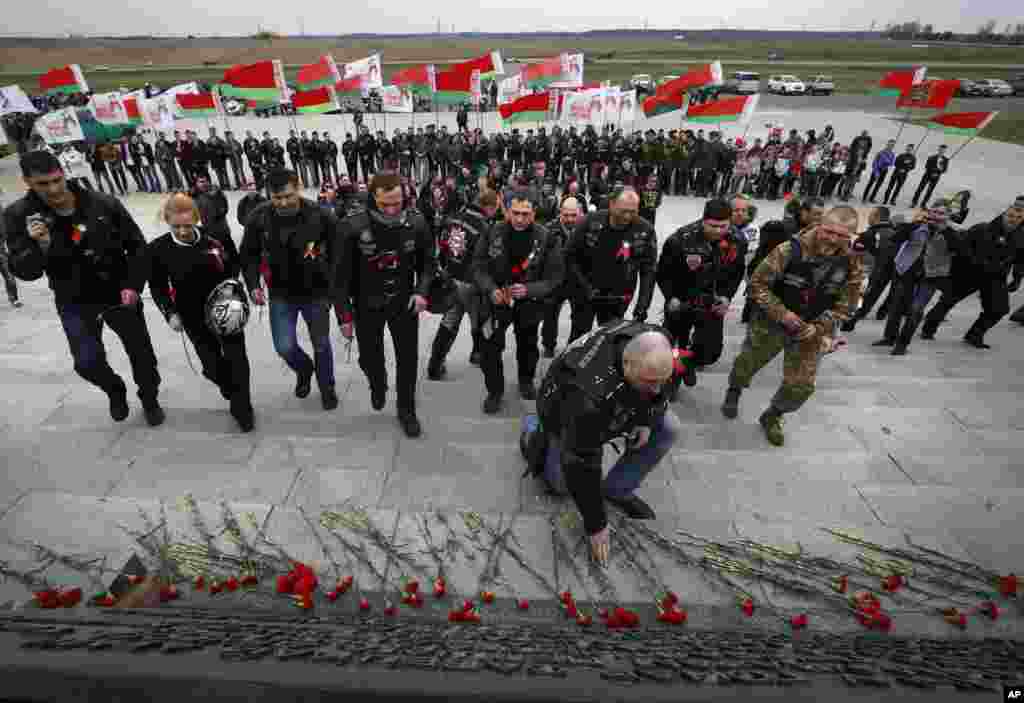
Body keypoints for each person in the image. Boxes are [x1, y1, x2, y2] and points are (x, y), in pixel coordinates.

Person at [4, 150, 163, 425]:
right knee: (86, 362)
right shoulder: (18, 215)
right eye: (43, 184)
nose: (53, 189)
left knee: (143, 356)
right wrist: (39, 246)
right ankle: (115, 389)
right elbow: (25, 272)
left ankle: (149, 398)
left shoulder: (102, 203)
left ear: (63, 174)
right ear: (27, 182)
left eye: (56, 180)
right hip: (73, 297)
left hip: (117, 290)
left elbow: (137, 245)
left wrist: (133, 286)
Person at [521, 322, 682, 566]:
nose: (658, 389)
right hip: (562, 412)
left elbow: (659, 386)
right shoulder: (586, 397)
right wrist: (596, 525)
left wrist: (646, 420)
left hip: (613, 405)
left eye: (661, 380)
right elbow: (582, 462)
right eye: (650, 382)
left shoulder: (657, 341)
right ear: (627, 367)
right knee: (561, 485)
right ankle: (533, 433)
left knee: (669, 426)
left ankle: (617, 489)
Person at [721, 207, 858, 446]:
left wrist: (820, 327)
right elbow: (757, 285)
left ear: (851, 235)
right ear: (820, 224)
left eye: (842, 235)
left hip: (811, 331)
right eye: (829, 231)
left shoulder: (851, 263)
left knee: (801, 386)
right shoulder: (788, 250)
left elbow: (847, 305)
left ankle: (773, 415)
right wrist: (783, 315)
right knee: (747, 362)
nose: (833, 239)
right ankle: (734, 390)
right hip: (771, 324)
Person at [334, 171, 435, 438]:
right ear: (372, 198)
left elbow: (428, 265)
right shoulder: (352, 225)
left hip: (404, 302)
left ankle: (407, 409)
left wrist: (422, 292)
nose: (391, 209)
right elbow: (339, 277)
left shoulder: (417, 222)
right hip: (367, 303)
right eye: (384, 204)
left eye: (396, 202)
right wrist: (344, 316)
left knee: (408, 360)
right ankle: (377, 383)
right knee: (370, 357)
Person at [147, 192, 254, 431]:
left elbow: (234, 263)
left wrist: (233, 288)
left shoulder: (216, 237)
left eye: (188, 225)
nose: (183, 231)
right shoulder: (158, 249)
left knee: (237, 359)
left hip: (226, 310)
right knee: (212, 364)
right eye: (176, 227)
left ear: (197, 218)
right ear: (167, 220)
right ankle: (228, 386)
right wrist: (169, 313)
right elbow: (158, 286)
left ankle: (242, 407)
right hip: (192, 315)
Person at [240, 169, 341, 411]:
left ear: (299, 187)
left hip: (316, 292)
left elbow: (339, 253)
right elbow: (248, 255)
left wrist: (334, 291)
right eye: (277, 197)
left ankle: (327, 387)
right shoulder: (258, 217)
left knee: (321, 344)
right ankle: (304, 369)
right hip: (280, 294)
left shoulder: (322, 215)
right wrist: (253, 284)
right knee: (283, 346)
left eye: (288, 195)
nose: (283, 202)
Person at [472, 188, 564, 415]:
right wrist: (490, 289)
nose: (520, 219)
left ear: (534, 212)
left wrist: (530, 289)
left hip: (528, 302)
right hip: (497, 300)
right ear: (506, 210)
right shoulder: (492, 232)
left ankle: (525, 380)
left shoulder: (546, 238)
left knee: (528, 344)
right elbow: (478, 266)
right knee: (490, 346)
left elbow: (555, 277)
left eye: (526, 213)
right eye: (515, 213)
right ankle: (494, 391)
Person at [657, 199, 747, 396]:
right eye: (712, 226)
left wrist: (726, 297)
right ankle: (674, 376)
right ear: (703, 220)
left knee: (711, 352)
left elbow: (737, 272)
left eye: (723, 226)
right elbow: (663, 272)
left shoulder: (738, 240)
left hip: (712, 303)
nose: (717, 230)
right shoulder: (681, 239)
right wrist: (670, 297)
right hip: (682, 300)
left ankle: (688, 363)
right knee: (675, 344)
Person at [920, 196, 1024, 349]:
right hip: (969, 272)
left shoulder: (1021, 237)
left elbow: (1021, 258)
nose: (1013, 220)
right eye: (1011, 216)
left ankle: (974, 335)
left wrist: (1017, 278)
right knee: (948, 301)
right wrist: (968, 264)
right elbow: (960, 247)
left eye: (1019, 217)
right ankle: (928, 328)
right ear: (1004, 214)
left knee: (998, 309)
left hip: (995, 276)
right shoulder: (982, 229)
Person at [563, 187, 657, 343]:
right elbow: (569, 255)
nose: (628, 216)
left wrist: (642, 306)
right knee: (579, 336)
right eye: (623, 211)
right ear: (612, 204)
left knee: (609, 340)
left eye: (633, 211)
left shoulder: (645, 230)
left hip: (618, 295)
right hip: (585, 290)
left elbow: (649, 270)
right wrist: (583, 286)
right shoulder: (590, 221)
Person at [873, 200, 963, 355]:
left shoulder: (952, 233)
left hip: (932, 276)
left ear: (948, 216)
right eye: (933, 211)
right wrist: (910, 224)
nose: (936, 216)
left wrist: (945, 231)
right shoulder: (917, 227)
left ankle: (902, 344)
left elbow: (959, 251)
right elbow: (896, 239)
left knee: (915, 310)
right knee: (897, 306)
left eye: (941, 213)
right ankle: (889, 338)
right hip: (908, 271)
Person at [426, 189, 497, 379]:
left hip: (450, 279)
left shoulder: (453, 218)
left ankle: (435, 364)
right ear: (488, 207)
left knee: (450, 321)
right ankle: (478, 354)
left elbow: (441, 246)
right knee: (481, 321)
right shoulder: (484, 227)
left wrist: (445, 268)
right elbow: (486, 259)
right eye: (494, 208)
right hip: (471, 283)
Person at [841, 206, 897, 331]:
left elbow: (855, 254)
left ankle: (850, 321)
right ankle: (878, 312)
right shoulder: (895, 232)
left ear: (876, 217)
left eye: (871, 215)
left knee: (859, 295)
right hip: (889, 270)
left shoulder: (869, 234)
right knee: (873, 294)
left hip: (868, 270)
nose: (869, 217)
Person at [540, 196, 581, 358]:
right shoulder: (548, 229)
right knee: (550, 314)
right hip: (554, 280)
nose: (570, 219)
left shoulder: (584, 228)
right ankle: (549, 345)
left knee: (579, 316)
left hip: (577, 280)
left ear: (579, 213)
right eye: (566, 215)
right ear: (560, 213)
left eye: (573, 215)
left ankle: (574, 347)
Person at [862, 139, 896, 203]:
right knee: (870, 184)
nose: (890, 146)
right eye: (889, 145)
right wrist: (876, 172)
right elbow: (874, 163)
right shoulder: (880, 152)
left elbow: (892, 163)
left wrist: (887, 161)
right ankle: (864, 197)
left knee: (878, 185)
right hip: (877, 169)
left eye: (892, 145)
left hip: (884, 171)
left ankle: (872, 198)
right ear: (887, 144)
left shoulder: (892, 154)